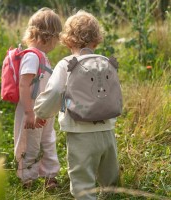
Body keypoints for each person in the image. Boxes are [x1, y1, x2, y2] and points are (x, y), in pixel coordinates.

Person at [34, 10, 119, 200]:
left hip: (80, 133)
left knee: (82, 182)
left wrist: (41, 112)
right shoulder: (105, 62)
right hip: (107, 130)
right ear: (96, 40)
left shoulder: (66, 64)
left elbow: (55, 92)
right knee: (110, 180)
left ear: (67, 40)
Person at [14, 7, 62, 189]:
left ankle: (50, 176)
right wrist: (28, 112)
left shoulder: (43, 57)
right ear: (48, 36)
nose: (56, 43)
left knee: (49, 141)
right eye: (56, 38)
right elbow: (23, 84)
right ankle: (27, 178)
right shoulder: (32, 57)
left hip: (44, 111)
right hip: (32, 111)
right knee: (30, 145)